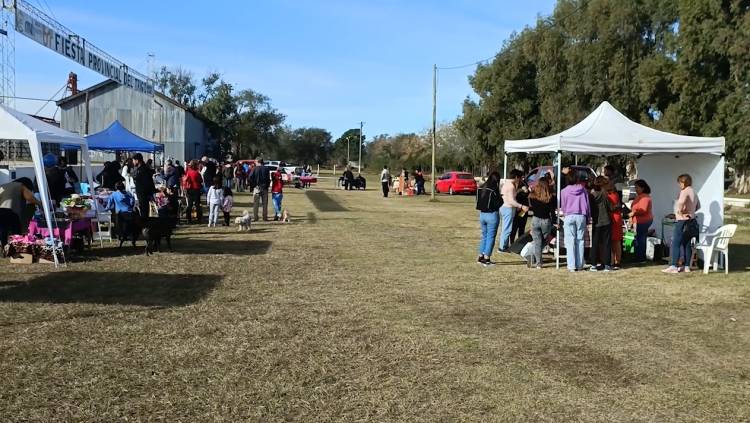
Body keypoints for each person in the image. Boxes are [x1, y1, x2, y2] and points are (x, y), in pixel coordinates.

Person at [664, 174, 700, 273]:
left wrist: (680, 211)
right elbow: (698, 206)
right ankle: (687, 266)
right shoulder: (693, 191)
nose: (679, 185)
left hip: (682, 220)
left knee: (676, 242)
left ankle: (674, 266)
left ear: (684, 182)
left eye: (680, 182)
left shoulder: (684, 191)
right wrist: (690, 211)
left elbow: (680, 202)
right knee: (687, 243)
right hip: (691, 220)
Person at [560, 172, 591, 272]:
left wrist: (565, 213)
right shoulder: (584, 190)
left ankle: (571, 265)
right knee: (580, 241)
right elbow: (587, 205)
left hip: (569, 215)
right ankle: (580, 264)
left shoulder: (563, 191)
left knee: (570, 241)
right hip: (581, 215)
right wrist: (588, 217)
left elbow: (563, 205)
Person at [0, 178, 40, 248]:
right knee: (16, 229)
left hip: (1, 209)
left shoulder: (4, 185)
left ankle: (4, 247)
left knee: (3, 230)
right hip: (10, 210)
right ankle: (17, 246)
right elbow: (30, 198)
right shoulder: (21, 186)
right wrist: (40, 203)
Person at [528, 177, 556, 269]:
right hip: (546, 221)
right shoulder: (550, 197)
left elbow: (531, 207)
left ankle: (538, 263)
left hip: (535, 219)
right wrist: (555, 221)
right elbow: (552, 211)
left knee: (537, 242)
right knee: (545, 239)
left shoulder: (532, 196)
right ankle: (538, 255)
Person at [498, 169, 528, 253]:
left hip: (505, 207)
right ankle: (502, 247)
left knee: (505, 228)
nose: (520, 180)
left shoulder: (507, 184)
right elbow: (511, 200)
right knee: (507, 229)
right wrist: (521, 206)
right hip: (508, 208)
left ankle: (504, 245)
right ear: (516, 177)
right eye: (519, 178)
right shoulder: (511, 186)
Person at [476, 171, 502, 266]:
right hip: (492, 215)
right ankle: (487, 258)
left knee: (484, 236)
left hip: (482, 214)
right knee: (491, 237)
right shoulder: (494, 190)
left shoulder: (482, 188)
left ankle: (480, 256)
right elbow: (499, 203)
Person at [589, 176, 613, 272]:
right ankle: (607, 264)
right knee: (607, 244)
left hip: (596, 222)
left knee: (594, 244)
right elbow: (610, 207)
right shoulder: (605, 194)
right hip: (606, 221)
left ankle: (593, 264)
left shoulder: (591, 195)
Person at [106, 181, 136, 246]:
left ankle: (120, 237)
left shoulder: (113, 194)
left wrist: (105, 210)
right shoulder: (128, 193)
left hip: (120, 214)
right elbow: (132, 201)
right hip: (130, 213)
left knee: (118, 225)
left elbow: (109, 205)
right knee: (131, 226)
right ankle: (131, 237)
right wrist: (130, 207)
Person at [630, 179, 653, 264]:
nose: (635, 189)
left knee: (641, 239)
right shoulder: (639, 196)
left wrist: (633, 213)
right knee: (638, 239)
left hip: (643, 221)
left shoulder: (645, 197)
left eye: (637, 187)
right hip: (638, 220)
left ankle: (641, 258)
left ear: (643, 188)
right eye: (635, 187)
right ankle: (638, 256)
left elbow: (643, 210)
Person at [131, 153, 156, 218]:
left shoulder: (143, 169)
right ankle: (144, 224)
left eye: (133, 160)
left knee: (144, 210)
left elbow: (147, 182)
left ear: (137, 160)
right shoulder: (140, 168)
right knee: (142, 209)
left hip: (144, 193)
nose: (133, 162)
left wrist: (150, 192)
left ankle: (145, 225)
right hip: (141, 193)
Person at [607, 180, 624, 270]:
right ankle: (617, 261)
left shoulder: (609, 196)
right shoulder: (616, 195)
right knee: (616, 241)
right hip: (617, 217)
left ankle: (615, 261)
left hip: (612, 218)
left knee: (614, 242)